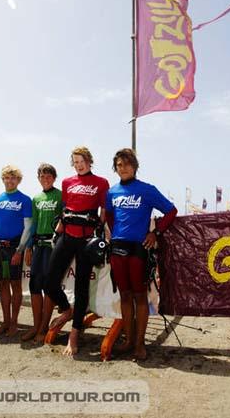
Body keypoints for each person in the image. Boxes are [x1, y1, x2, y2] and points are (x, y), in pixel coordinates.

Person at [106, 148, 177, 361]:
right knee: (125, 295)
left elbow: (171, 211)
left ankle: (139, 344)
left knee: (139, 295)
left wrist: (155, 233)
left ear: (135, 166)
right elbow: (109, 216)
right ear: (115, 168)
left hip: (139, 249)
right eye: (119, 165)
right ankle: (128, 341)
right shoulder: (112, 192)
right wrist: (117, 234)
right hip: (118, 248)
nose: (123, 168)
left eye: (127, 164)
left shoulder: (147, 190)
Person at [42, 146, 109, 356]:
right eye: (75, 161)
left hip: (87, 240)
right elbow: (65, 212)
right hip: (67, 236)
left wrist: (104, 236)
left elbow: (104, 212)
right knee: (49, 282)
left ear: (89, 161)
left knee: (81, 287)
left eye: (82, 161)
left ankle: (74, 334)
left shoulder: (101, 182)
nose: (79, 165)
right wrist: (56, 235)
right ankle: (66, 309)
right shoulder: (67, 182)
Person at [0, 165, 32, 337]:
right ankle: (5, 321)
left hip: (14, 248)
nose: (10, 181)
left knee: (15, 284)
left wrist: (20, 250)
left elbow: (28, 227)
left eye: (14, 178)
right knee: (3, 283)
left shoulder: (25, 200)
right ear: (2, 179)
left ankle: (14, 322)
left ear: (18, 180)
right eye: (7, 178)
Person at [21, 163, 63, 342]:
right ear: (38, 178)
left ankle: (44, 327)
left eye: (49, 176)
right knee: (34, 286)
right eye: (42, 176)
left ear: (54, 178)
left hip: (53, 244)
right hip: (38, 243)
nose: (45, 179)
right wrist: (29, 246)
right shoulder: (36, 198)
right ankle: (35, 325)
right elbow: (33, 224)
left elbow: (65, 220)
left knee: (49, 286)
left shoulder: (60, 195)